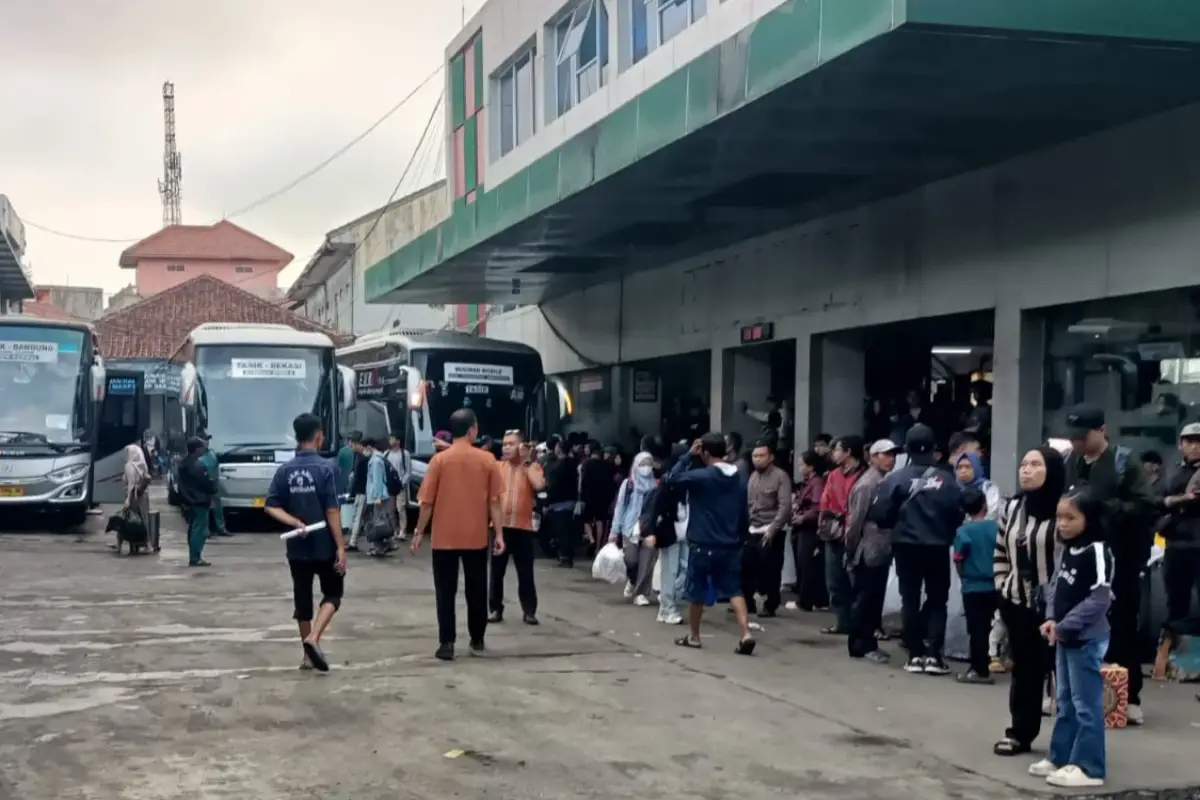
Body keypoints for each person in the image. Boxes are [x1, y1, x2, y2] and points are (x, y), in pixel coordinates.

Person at [1062, 405, 1158, 725]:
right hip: (1081, 556)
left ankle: (1128, 696)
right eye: (1072, 437)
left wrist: (1105, 506)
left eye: (1082, 437)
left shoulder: (1123, 462)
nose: (1076, 443)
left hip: (1121, 556)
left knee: (1121, 623)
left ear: (1101, 430)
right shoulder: (1071, 462)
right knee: (1080, 622)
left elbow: (1146, 505)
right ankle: (1079, 694)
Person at [1027, 490, 1114, 789]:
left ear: (1089, 520)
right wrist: (1052, 619)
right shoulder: (1068, 549)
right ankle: (1060, 756)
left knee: (1086, 705)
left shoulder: (1098, 551)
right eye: (1059, 517)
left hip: (1086, 640)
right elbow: (1056, 586)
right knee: (1065, 701)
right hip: (1064, 637)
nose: (1062, 524)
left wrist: (1066, 625)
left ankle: (1090, 767)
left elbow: (1100, 599)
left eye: (1070, 518)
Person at [869, 423, 964, 675]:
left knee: (909, 599)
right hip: (937, 546)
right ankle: (934, 655)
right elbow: (958, 512)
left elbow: (880, 514)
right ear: (934, 448)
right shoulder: (947, 479)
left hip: (905, 546)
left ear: (907, 449)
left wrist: (899, 524)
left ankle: (914, 654)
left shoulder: (895, 479)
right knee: (937, 599)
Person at [413, 408, 506, 660]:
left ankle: (446, 643)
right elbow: (495, 502)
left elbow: (427, 503)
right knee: (476, 590)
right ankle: (477, 639)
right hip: (475, 537)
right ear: (472, 430)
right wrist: (498, 534)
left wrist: (419, 532)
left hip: (444, 538)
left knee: (445, 591)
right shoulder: (487, 460)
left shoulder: (439, 461)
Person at [992, 447, 1066, 757]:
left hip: (1061, 607)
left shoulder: (1067, 507)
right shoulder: (1011, 508)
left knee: (1064, 673)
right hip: (1018, 603)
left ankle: (1067, 743)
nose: (1026, 470)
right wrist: (1002, 585)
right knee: (1025, 672)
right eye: (1023, 464)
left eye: (1035, 465)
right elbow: (1000, 550)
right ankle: (1020, 733)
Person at [263, 413, 346, 672]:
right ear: (319, 436)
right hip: (324, 546)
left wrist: (295, 522)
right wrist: (341, 547)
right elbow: (332, 511)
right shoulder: (326, 468)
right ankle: (314, 638)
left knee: (303, 600)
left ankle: (306, 656)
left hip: (297, 549)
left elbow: (270, 506)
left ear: (297, 437)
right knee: (333, 594)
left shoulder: (284, 470)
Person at [669, 433, 755, 654]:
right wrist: (741, 537)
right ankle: (745, 633)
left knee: (696, 592)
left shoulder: (702, 476)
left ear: (704, 452)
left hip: (703, 543)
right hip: (730, 543)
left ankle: (694, 636)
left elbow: (672, 479)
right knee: (734, 589)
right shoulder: (740, 477)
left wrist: (688, 455)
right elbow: (744, 512)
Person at [845, 439, 898, 662]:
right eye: (885, 454)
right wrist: (851, 550)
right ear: (873, 456)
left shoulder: (884, 481)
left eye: (893, 455)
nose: (891, 459)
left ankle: (869, 642)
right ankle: (860, 644)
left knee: (874, 599)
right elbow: (854, 522)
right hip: (867, 550)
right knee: (864, 600)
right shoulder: (867, 484)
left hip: (881, 550)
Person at [490, 430, 545, 625]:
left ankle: (529, 611)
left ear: (521, 446)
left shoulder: (532, 467)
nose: (506, 447)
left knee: (525, 572)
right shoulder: (498, 467)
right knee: (496, 572)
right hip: (500, 528)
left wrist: (527, 461)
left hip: (523, 528)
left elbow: (539, 486)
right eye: (504, 444)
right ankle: (495, 608)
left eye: (511, 444)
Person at [818, 436, 866, 635]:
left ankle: (859, 623)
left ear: (848, 452)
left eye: (837, 450)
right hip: (834, 531)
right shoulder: (834, 475)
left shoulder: (864, 475)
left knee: (856, 581)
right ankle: (841, 621)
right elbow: (825, 501)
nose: (833, 453)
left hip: (856, 532)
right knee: (835, 580)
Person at [953, 487, 998, 684]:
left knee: (977, 630)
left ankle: (979, 670)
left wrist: (963, 579)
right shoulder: (996, 528)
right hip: (996, 585)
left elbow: (959, 559)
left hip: (973, 587)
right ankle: (990, 661)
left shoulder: (963, 532)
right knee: (990, 625)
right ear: (985, 506)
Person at [742, 440, 792, 618]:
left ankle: (770, 604)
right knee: (746, 566)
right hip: (753, 528)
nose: (758, 459)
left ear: (770, 457)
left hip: (772, 528)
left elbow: (785, 506)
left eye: (762, 455)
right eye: (755, 456)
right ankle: (748, 603)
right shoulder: (753, 476)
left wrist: (773, 529)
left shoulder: (780, 476)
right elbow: (749, 504)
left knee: (770, 570)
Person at [1158, 423, 1200, 626]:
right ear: (1180, 445)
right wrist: (1183, 499)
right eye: (1190, 441)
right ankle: (1173, 652)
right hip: (1176, 545)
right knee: (1176, 605)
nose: (1195, 446)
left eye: (1199, 442)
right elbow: (1158, 500)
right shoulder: (1172, 472)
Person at [610, 451, 659, 605]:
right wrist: (614, 531)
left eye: (649, 464)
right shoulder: (628, 484)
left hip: (649, 529)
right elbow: (620, 508)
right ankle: (632, 580)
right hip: (629, 527)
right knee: (631, 560)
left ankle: (641, 593)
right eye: (643, 464)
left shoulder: (656, 485)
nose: (646, 467)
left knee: (646, 562)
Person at [791, 450, 828, 611]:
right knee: (804, 564)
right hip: (803, 526)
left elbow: (817, 506)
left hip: (810, 528)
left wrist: (803, 517)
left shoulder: (817, 482)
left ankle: (806, 600)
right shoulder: (808, 482)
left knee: (806, 565)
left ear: (811, 466)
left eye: (801, 464)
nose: (799, 468)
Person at [176, 436, 216, 567]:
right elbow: (206, 483)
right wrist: (211, 495)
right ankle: (195, 557)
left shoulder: (183, 463)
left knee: (193, 529)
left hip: (188, 501)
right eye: (202, 447)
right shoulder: (197, 465)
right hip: (199, 501)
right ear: (197, 449)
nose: (204, 449)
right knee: (200, 530)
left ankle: (193, 555)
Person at [542, 435, 579, 567]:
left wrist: (547, 502)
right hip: (571, 501)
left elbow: (554, 485)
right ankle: (568, 556)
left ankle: (565, 557)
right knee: (569, 530)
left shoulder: (559, 466)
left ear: (560, 449)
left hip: (559, 503)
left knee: (561, 531)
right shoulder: (574, 463)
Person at [580, 440, 617, 554]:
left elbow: (583, 480)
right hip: (602, 496)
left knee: (586, 519)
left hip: (589, 495)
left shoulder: (586, 464)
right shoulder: (606, 465)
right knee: (600, 520)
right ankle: (598, 546)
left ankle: (591, 538)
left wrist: (581, 495)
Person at [361, 438, 393, 556]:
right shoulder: (377, 459)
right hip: (378, 496)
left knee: (377, 523)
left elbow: (377, 481)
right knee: (379, 521)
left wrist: (377, 497)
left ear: (369, 447)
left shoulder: (375, 461)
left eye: (364, 448)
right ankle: (385, 544)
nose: (364, 451)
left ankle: (382, 546)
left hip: (377, 496)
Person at [123, 443, 156, 552]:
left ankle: (137, 544)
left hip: (134, 497)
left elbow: (131, 485)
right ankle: (146, 544)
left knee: (132, 520)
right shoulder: (142, 465)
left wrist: (128, 499)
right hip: (143, 495)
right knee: (143, 519)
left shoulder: (130, 466)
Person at [197, 432, 230, 538]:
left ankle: (221, 529)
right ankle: (205, 531)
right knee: (204, 510)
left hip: (215, 486)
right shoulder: (197, 456)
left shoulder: (212, 453)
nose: (207, 443)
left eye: (207, 440)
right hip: (203, 487)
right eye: (205, 440)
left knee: (218, 509)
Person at [955, 451, 1001, 520]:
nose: (963, 471)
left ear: (976, 467)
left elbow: (993, 512)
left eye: (967, 467)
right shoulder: (953, 488)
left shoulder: (988, 487)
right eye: (959, 467)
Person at [386, 434, 411, 541]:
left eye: (392, 439)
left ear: (398, 441)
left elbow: (408, 472)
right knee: (390, 509)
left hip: (400, 485)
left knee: (400, 508)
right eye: (390, 439)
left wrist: (402, 483)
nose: (390, 441)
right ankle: (394, 530)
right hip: (389, 485)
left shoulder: (405, 454)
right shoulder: (386, 454)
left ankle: (402, 531)